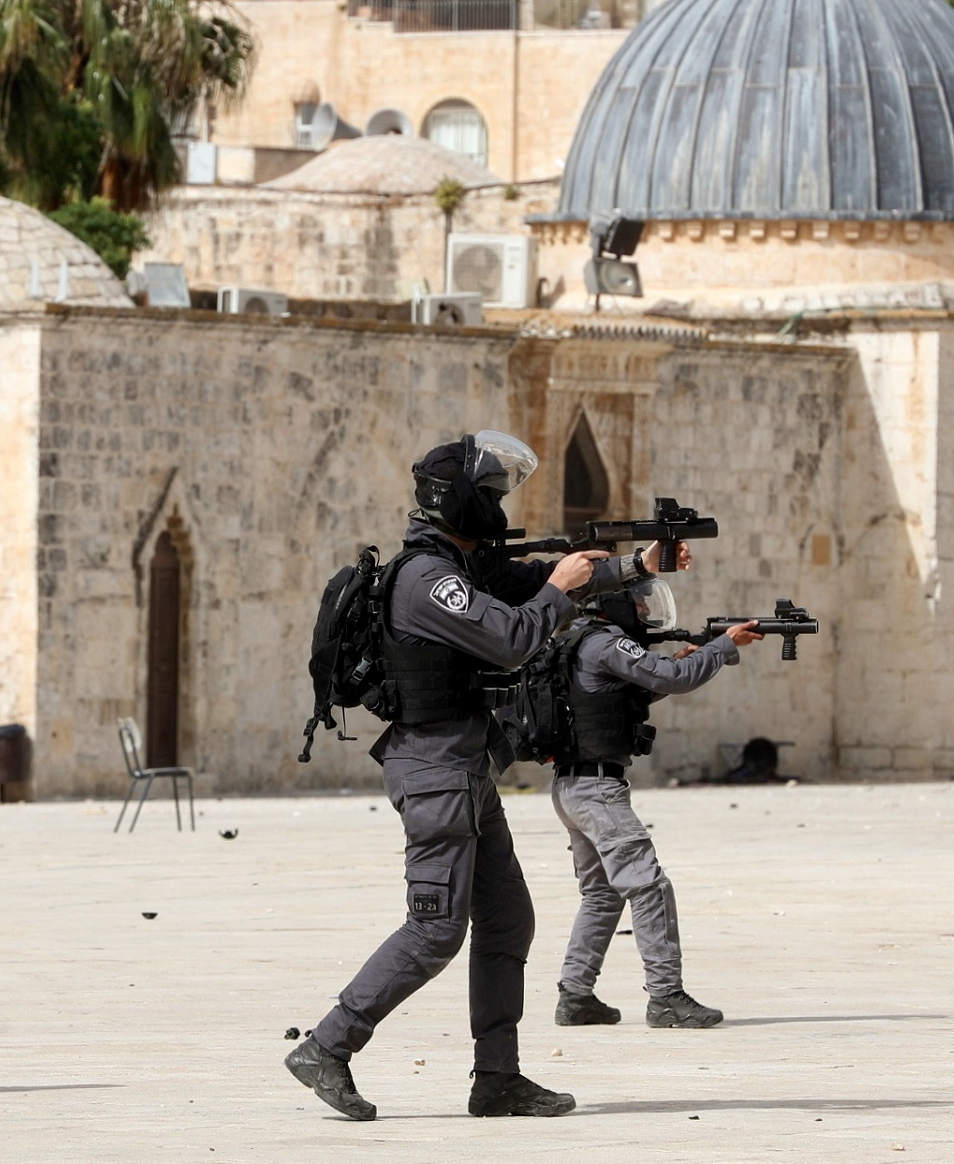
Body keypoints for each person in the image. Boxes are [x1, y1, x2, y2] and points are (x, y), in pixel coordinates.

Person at [286, 431, 643, 1122]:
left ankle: (498, 1078)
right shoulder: (429, 579)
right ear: (461, 500)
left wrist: (635, 565)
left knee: (508, 917)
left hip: (465, 764)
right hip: (435, 770)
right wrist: (563, 590)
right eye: (491, 494)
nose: (499, 506)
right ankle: (328, 1043)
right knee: (435, 927)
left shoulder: (459, 565)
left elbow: (529, 579)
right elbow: (513, 634)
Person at [550, 574, 762, 1030]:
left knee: (603, 893)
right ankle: (666, 997)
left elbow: (632, 693)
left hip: (573, 786)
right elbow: (673, 677)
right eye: (638, 604)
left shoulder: (578, 641)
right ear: (613, 605)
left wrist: (694, 656)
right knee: (649, 887)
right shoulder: (605, 641)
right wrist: (721, 647)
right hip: (597, 790)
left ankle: (576, 995)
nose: (645, 612)